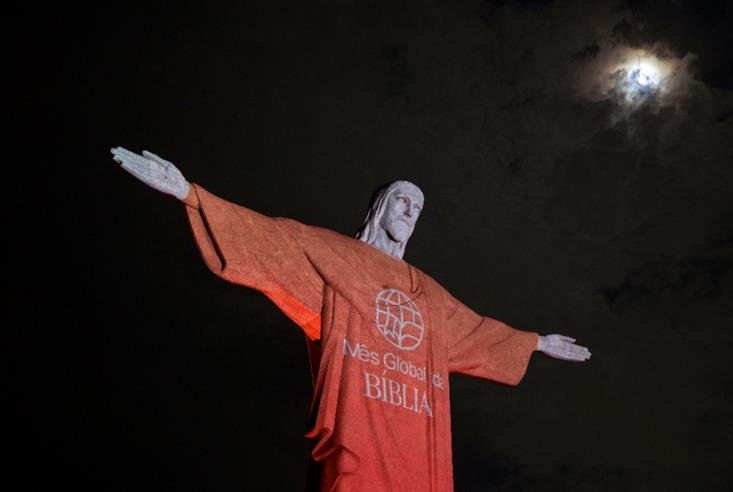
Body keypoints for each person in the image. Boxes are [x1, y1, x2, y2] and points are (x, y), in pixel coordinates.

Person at [111, 147, 591, 491]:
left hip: (418, 438)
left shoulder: (427, 292)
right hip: (360, 428)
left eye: (419, 208)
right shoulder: (333, 253)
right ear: (381, 206)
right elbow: (271, 241)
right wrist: (190, 194)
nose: (411, 211)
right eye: (403, 200)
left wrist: (535, 342)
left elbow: (474, 329)